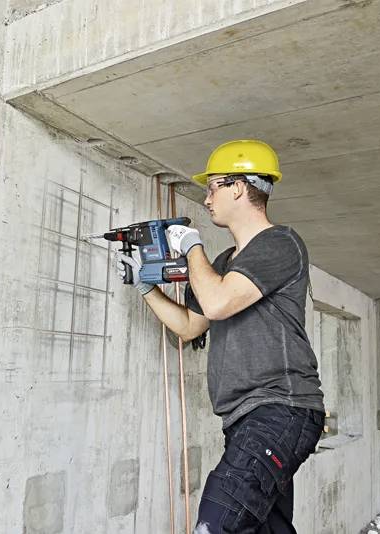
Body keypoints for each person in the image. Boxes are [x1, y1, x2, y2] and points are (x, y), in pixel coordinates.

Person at [116, 139, 325, 533]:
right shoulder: (224, 264)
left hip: (281, 408)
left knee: (217, 520)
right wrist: (146, 287)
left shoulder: (281, 243)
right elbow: (191, 325)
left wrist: (191, 244)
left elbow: (216, 303)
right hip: (243, 419)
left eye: (213, 187)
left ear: (240, 188)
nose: (207, 198)